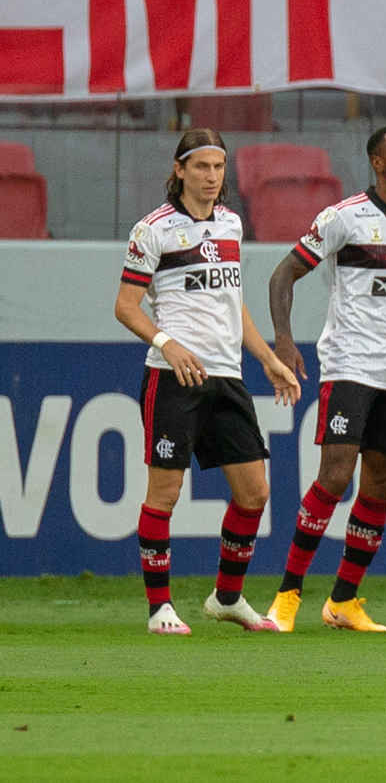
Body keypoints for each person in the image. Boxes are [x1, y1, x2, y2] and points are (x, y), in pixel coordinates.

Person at [263, 125, 386, 633]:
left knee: (381, 485)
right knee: (336, 475)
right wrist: (283, 339)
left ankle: (344, 601)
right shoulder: (343, 218)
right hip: (349, 367)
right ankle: (287, 595)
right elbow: (283, 275)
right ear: (376, 162)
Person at [114, 128, 301, 635]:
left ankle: (227, 596)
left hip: (227, 377)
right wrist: (166, 344)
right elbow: (125, 306)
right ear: (179, 171)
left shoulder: (231, 226)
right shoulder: (152, 230)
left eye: (219, 167)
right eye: (200, 167)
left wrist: (266, 357)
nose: (211, 177)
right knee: (165, 494)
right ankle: (160, 610)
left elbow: (232, 304)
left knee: (254, 493)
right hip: (174, 379)